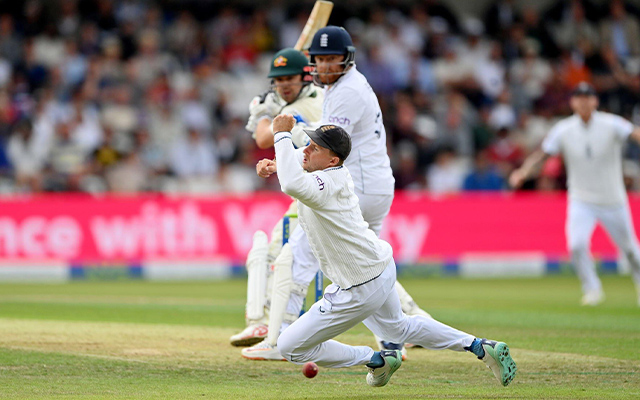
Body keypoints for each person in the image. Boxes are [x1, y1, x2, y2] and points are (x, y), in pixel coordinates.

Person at [257, 114, 517, 387]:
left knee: (290, 346)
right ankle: (480, 346)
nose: (306, 150)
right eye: (307, 143)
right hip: (378, 267)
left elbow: (291, 183)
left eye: (314, 147)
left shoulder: (326, 183)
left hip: (357, 286)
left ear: (332, 160)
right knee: (399, 327)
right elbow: (299, 161)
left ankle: (376, 360)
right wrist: (276, 163)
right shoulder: (328, 168)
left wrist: (282, 135)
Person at [238, 34, 431, 360]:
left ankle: (279, 339)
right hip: (370, 186)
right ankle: (393, 339)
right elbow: (317, 141)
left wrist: (283, 140)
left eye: (331, 58)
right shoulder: (338, 88)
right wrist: (284, 153)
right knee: (364, 267)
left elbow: (327, 146)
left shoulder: (347, 93)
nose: (325, 64)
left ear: (347, 58)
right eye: (320, 58)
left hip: (353, 187)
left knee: (295, 258)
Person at [510, 82, 640, 306]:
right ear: (572, 102)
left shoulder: (611, 123)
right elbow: (543, 154)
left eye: (587, 97)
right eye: (579, 97)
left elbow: (634, 133)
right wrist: (523, 171)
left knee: (631, 250)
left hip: (613, 199)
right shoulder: (564, 128)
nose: (583, 101)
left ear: (595, 101)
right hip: (581, 199)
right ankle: (592, 289)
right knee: (577, 245)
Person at [230, 48, 322, 350]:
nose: (284, 84)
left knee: (353, 262)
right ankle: (266, 323)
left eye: (290, 78)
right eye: (279, 79)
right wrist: (278, 121)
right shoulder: (269, 101)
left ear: (304, 77)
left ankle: (406, 323)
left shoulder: (319, 101)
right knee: (274, 250)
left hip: (329, 188)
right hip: (306, 194)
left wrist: (281, 119)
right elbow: (262, 139)